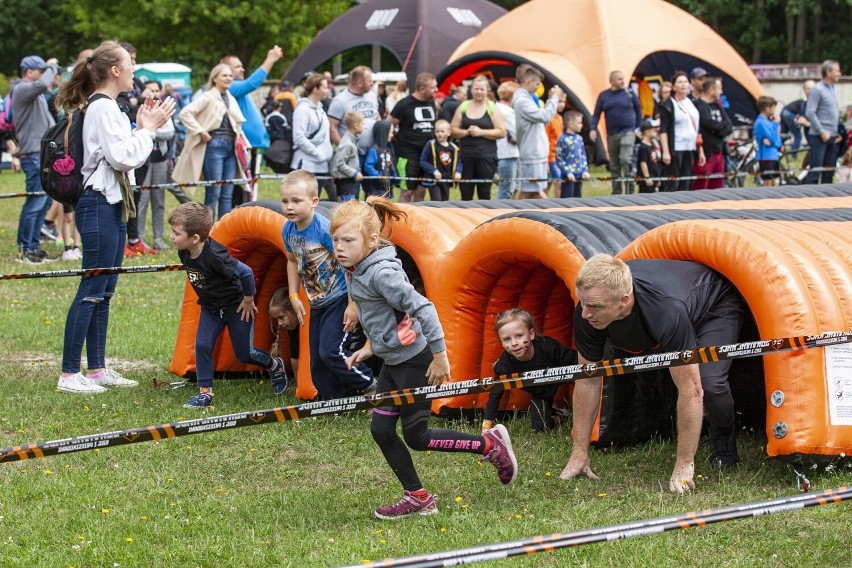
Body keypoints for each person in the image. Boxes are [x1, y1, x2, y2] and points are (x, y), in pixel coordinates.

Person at [330, 197, 518, 519]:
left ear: (371, 240)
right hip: (394, 360)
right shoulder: (356, 267)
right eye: (335, 239)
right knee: (382, 430)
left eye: (348, 240)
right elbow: (387, 316)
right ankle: (418, 497)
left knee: (418, 437)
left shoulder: (381, 274)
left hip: (416, 362)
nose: (340, 247)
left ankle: (490, 446)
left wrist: (440, 356)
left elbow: (423, 308)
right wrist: (372, 347)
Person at [561, 254, 744, 493]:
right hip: (673, 306)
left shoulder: (665, 309)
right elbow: (588, 380)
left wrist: (683, 463)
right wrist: (579, 451)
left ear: (623, 300)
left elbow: (691, 391)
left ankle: (723, 438)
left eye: (595, 306)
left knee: (708, 384)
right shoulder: (587, 312)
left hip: (712, 309)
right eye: (582, 302)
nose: (585, 313)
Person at [54, 40, 176, 394]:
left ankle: (96, 369)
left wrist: (141, 126)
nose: (135, 69)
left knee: (105, 290)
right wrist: (148, 130)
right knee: (92, 288)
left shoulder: (111, 108)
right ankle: (67, 374)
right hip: (98, 205)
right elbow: (123, 157)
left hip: (113, 204)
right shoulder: (103, 109)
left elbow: (125, 154)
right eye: (131, 63)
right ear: (115, 71)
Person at [168, 203, 289, 408]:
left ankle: (274, 365)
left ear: (195, 238)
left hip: (236, 307)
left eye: (176, 233)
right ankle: (205, 394)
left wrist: (249, 300)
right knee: (203, 345)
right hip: (211, 308)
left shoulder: (216, 255)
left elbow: (246, 272)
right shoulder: (185, 251)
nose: (171, 236)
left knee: (245, 354)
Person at [281, 170, 375, 400]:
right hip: (317, 302)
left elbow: (348, 264)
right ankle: (331, 401)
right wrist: (293, 295)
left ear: (314, 202)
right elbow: (292, 260)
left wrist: (352, 305)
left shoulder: (324, 229)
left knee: (332, 351)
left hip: (339, 297)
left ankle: (370, 383)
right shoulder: (287, 229)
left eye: (296, 201)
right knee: (317, 359)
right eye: (284, 201)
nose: (289, 207)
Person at [482, 308, 577, 433]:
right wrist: (486, 427)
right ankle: (557, 414)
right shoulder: (504, 366)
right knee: (540, 427)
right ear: (501, 342)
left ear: (531, 334)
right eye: (507, 339)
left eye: (519, 336)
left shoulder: (547, 347)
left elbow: (576, 362)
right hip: (540, 391)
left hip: (564, 373)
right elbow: (495, 396)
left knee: (583, 383)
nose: (514, 343)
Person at [173, 63, 246, 220]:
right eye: (224, 75)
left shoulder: (230, 98)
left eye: (230, 75)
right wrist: (200, 131)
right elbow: (185, 113)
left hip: (231, 147)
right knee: (214, 192)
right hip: (214, 146)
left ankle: (223, 233)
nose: (228, 78)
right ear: (214, 78)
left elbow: (237, 124)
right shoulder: (207, 96)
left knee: (228, 193)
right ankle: (209, 232)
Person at [10, 54, 60, 264]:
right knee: (35, 200)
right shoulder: (21, 88)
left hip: (42, 153)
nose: (45, 76)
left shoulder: (33, 92)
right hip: (33, 154)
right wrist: (52, 66)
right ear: (29, 72)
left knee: (43, 200)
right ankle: (25, 248)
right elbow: (42, 84)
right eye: (40, 71)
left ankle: (34, 246)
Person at [222, 46, 284, 204]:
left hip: (250, 149)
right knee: (240, 193)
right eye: (237, 66)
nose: (242, 69)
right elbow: (252, 83)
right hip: (241, 150)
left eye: (242, 66)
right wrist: (270, 59)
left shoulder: (238, 89)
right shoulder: (231, 87)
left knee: (248, 192)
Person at [512, 64, 563, 200]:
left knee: (535, 190)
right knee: (529, 191)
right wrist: (554, 98)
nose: (538, 88)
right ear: (528, 82)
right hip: (531, 154)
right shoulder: (522, 101)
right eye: (537, 84)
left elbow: (542, 121)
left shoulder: (527, 99)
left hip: (536, 153)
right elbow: (545, 116)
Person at [451, 76, 505, 200]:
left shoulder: (492, 108)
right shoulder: (463, 106)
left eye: (482, 89)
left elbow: (502, 132)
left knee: (484, 193)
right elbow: (453, 129)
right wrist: (466, 132)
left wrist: (481, 132)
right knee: (465, 192)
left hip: (486, 157)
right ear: (471, 90)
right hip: (466, 156)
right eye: (476, 89)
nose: (479, 92)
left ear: (487, 90)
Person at [136, 79, 176, 250]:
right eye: (149, 90)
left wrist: (150, 130)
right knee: (142, 201)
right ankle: (138, 238)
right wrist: (151, 130)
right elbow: (138, 130)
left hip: (160, 159)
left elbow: (170, 132)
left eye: (156, 90)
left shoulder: (164, 111)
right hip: (143, 162)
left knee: (158, 200)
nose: (153, 93)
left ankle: (158, 238)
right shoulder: (141, 111)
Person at [589, 70, 642, 195]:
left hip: (628, 132)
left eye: (623, 78)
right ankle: (616, 192)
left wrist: (638, 128)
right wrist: (592, 128)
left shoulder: (629, 93)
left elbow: (638, 111)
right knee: (614, 165)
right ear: (612, 81)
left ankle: (629, 190)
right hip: (612, 134)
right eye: (619, 79)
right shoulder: (604, 96)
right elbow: (596, 114)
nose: (623, 81)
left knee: (625, 159)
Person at [390, 72, 438, 202]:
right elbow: (389, 122)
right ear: (422, 89)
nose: (436, 90)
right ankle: (399, 221)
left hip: (426, 155)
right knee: (407, 191)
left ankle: (416, 221)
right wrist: (393, 136)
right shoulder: (404, 104)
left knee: (421, 192)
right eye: (433, 87)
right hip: (408, 155)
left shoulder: (431, 103)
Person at [289, 73, 335, 200]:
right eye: (325, 87)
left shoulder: (320, 109)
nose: (328, 90)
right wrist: (317, 153)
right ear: (315, 89)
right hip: (307, 164)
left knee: (315, 202)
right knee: (304, 202)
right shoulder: (303, 109)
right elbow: (298, 137)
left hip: (322, 165)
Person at [658, 71, 705, 192]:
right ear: (673, 86)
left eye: (685, 82)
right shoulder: (668, 104)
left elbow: (696, 128)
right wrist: (666, 151)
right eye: (680, 82)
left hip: (690, 147)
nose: (683, 84)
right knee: (673, 182)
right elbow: (663, 129)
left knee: (687, 181)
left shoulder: (690, 102)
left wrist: (700, 150)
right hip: (676, 148)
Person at [803, 60, 842, 185]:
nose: (839, 74)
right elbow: (810, 112)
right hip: (820, 136)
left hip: (832, 135)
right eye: (836, 71)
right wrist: (821, 131)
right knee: (816, 170)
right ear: (828, 72)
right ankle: (809, 199)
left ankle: (827, 200)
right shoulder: (818, 89)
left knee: (829, 171)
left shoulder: (831, 89)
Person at [327, 66, 379, 155]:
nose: (372, 84)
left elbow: (376, 115)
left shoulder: (372, 95)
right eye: (369, 81)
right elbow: (331, 127)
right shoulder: (340, 100)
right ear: (359, 83)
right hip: (352, 156)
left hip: (373, 153)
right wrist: (344, 149)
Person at [693, 77, 733, 190]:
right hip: (706, 152)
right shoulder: (699, 106)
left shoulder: (718, 106)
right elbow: (707, 122)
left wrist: (717, 129)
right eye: (719, 88)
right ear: (711, 90)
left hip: (719, 151)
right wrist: (719, 127)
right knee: (702, 185)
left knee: (717, 186)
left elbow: (729, 125)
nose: (721, 92)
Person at [419, 119, 461, 202]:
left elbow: (458, 163)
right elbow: (423, 161)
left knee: (445, 203)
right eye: (437, 131)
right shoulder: (431, 145)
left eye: (442, 131)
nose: (439, 134)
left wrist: (458, 172)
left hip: (446, 180)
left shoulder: (453, 148)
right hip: (434, 181)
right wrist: (433, 171)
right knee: (436, 202)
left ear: (448, 132)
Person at [331, 111, 364, 201]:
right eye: (362, 124)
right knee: (347, 210)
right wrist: (355, 173)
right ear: (356, 125)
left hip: (349, 181)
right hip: (345, 183)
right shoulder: (347, 143)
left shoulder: (352, 141)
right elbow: (339, 163)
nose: (364, 126)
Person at [555, 110, 589, 198]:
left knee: (577, 199)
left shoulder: (579, 138)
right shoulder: (562, 139)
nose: (581, 125)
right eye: (579, 123)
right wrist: (567, 172)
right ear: (571, 124)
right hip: (568, 177)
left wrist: (584, 170)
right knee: (567, 199)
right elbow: (559, 158)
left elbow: (583, 155)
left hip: (579, 175)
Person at [267, 287, 300, 377]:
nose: (280, 323)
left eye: (281, 317)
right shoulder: (293, 330)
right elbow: (295, 357)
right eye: (276, 319)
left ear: (294, 309)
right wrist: (299, 384)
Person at [495, 81, 520, 199]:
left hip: (501, 152)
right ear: (511, 96)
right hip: (508, 154)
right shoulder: (507, 112)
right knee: (506, 189)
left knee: (507, 187)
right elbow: (516, 134)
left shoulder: (496, 107)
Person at [362, 120, 398, 199]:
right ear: (384, 133)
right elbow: (368, 166)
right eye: (390, 132)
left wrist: (395, 177)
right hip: (375, 190)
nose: (392, 135)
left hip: (387, 189)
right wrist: (378, 176)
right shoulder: (374, 150)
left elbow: (390, 166)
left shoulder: (387, 150)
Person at [754, 96, 783, 187]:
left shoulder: (769, 121)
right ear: (767, 108)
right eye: (773, 107)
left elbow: (777, 141)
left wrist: (774, 142)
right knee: (768, 182)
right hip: (766, 157)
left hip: (773, 156)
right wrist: (776, 124)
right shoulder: (760, 122)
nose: (774, 110)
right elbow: (773, 138)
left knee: (774, 181)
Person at [780, 80, 814, 153]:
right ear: (804, 90)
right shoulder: (804, 103)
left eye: (812, 88)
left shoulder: (815, 103)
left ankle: (783, 151)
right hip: (787, 113)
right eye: (808, 88)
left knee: (786, 134)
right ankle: (793, 153)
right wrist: (799, 120)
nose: (810, 91)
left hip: (785, 113)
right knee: (797, 135)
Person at [545, 93, 567, 197]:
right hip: (551, 158)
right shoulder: (548, 119)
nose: (562, 105)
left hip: (558, 157)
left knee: (555, 183)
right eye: (559, 101)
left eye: (563, 102)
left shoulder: (559, 118)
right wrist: (546, 161)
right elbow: (546, 139)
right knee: (555, 183)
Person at [636, 118, 663, 193]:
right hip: (647, 180)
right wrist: (647, 177)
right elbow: (643, 163)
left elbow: (655, 163)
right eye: (653, 129)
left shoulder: (651, 146)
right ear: (646, 131)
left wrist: (657, 178)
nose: (655, 131)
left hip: (653, 178)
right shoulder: (643, 147)